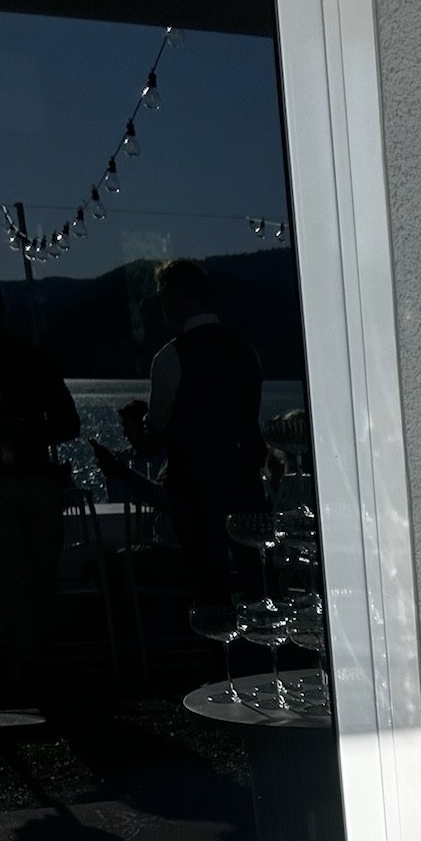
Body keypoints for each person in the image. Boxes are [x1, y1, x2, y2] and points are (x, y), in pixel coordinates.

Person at [127, 258, 268, 602]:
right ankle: (258, 653)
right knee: (255, 584)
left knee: (210, 588)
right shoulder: (246, 350)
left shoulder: (169, 359)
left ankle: (217, 652)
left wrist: (138, 428)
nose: (161, 307)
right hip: (246, 488)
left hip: (195, 494)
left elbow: (155, 437)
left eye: (162, 298)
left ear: (179, 296)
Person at [0, 278, 80, 700]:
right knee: (19, 577)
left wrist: (25, 431)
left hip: (27, 483)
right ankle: (28, 664)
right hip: (10, 486)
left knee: (33, 578)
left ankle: (29, 661)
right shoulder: (33, 357)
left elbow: (69, 423)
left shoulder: (30, 359)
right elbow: (67, 423)